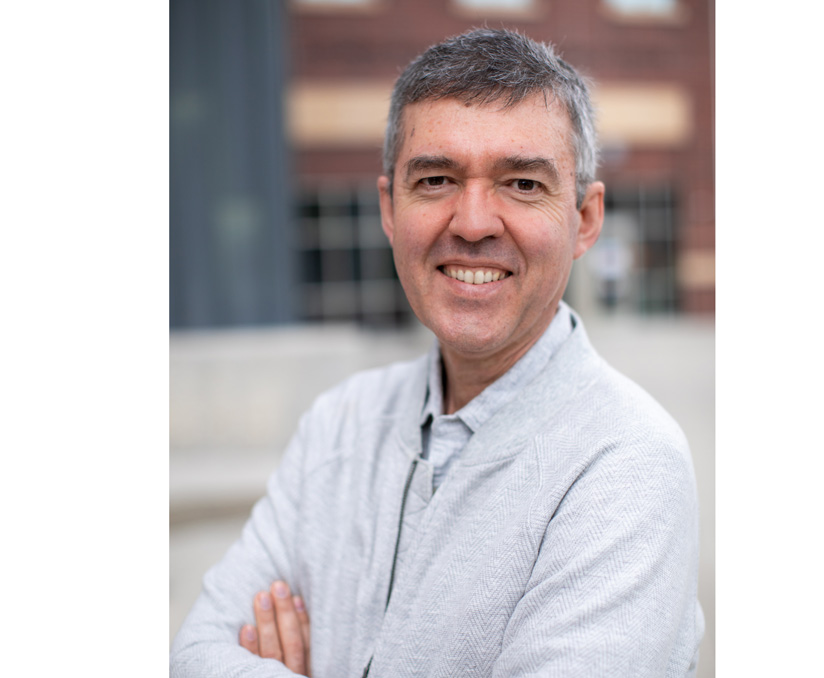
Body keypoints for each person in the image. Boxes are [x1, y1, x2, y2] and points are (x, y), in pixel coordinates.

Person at [170, 28, 704, 677]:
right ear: (389, 208)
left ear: (585, 219)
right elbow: (198, 653)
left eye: (523, 184)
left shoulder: (626, 462)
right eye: (436, 180)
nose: (473, 222)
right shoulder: (340, 423)